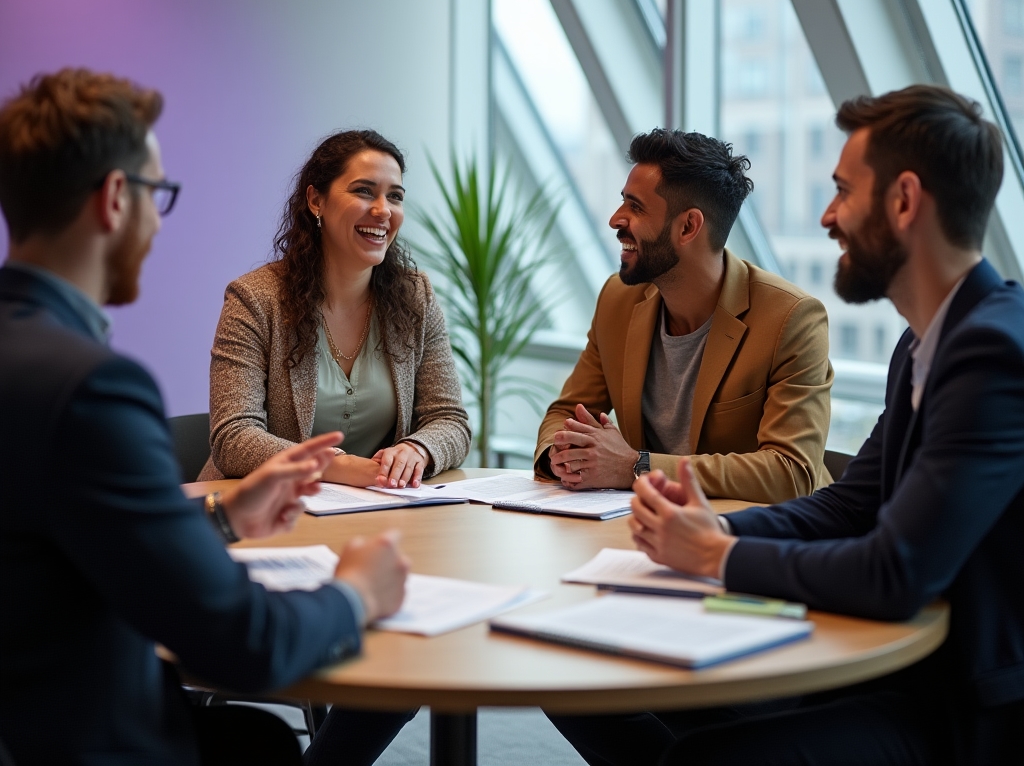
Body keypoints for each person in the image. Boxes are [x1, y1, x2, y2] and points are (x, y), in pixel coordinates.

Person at [0, 68, 409, 766]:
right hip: (88, 739)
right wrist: (354, 596)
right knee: (263, 747)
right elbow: (242, 643)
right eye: (159, 195)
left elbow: (62, 534)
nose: (159, 221)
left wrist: (223, 519)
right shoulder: (94, 388)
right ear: (115, 200)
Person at [621, 86, 1021, 766]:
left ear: (903, 201)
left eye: (843, 191)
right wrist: (716, 529)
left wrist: (715, 558)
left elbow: (897, 571)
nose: (827, 215)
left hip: (966, 711)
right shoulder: (925, 341)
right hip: (895, 669)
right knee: (639, 701)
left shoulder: (993, 352)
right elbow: (851, 502)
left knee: (701, 757)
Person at [534, 129, 833, 504]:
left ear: (689, 226)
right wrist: (561, 454)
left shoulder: (791, 319)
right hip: (640, 528)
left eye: (635, 207)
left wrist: (635, 466)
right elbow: (567, 412)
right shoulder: (618, 299)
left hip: (756, 541)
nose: (615, 219)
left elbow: (791, 472)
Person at [200, 129, 470, 490]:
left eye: (395, 196)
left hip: (376, 509)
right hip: (262, 512)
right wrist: (335, 467)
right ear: (316, 200)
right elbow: (233, 438)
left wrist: (418, 449)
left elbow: (450, 419)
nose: (383, 210)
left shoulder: (415, 297)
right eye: (363, 191)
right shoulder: (253, 299)